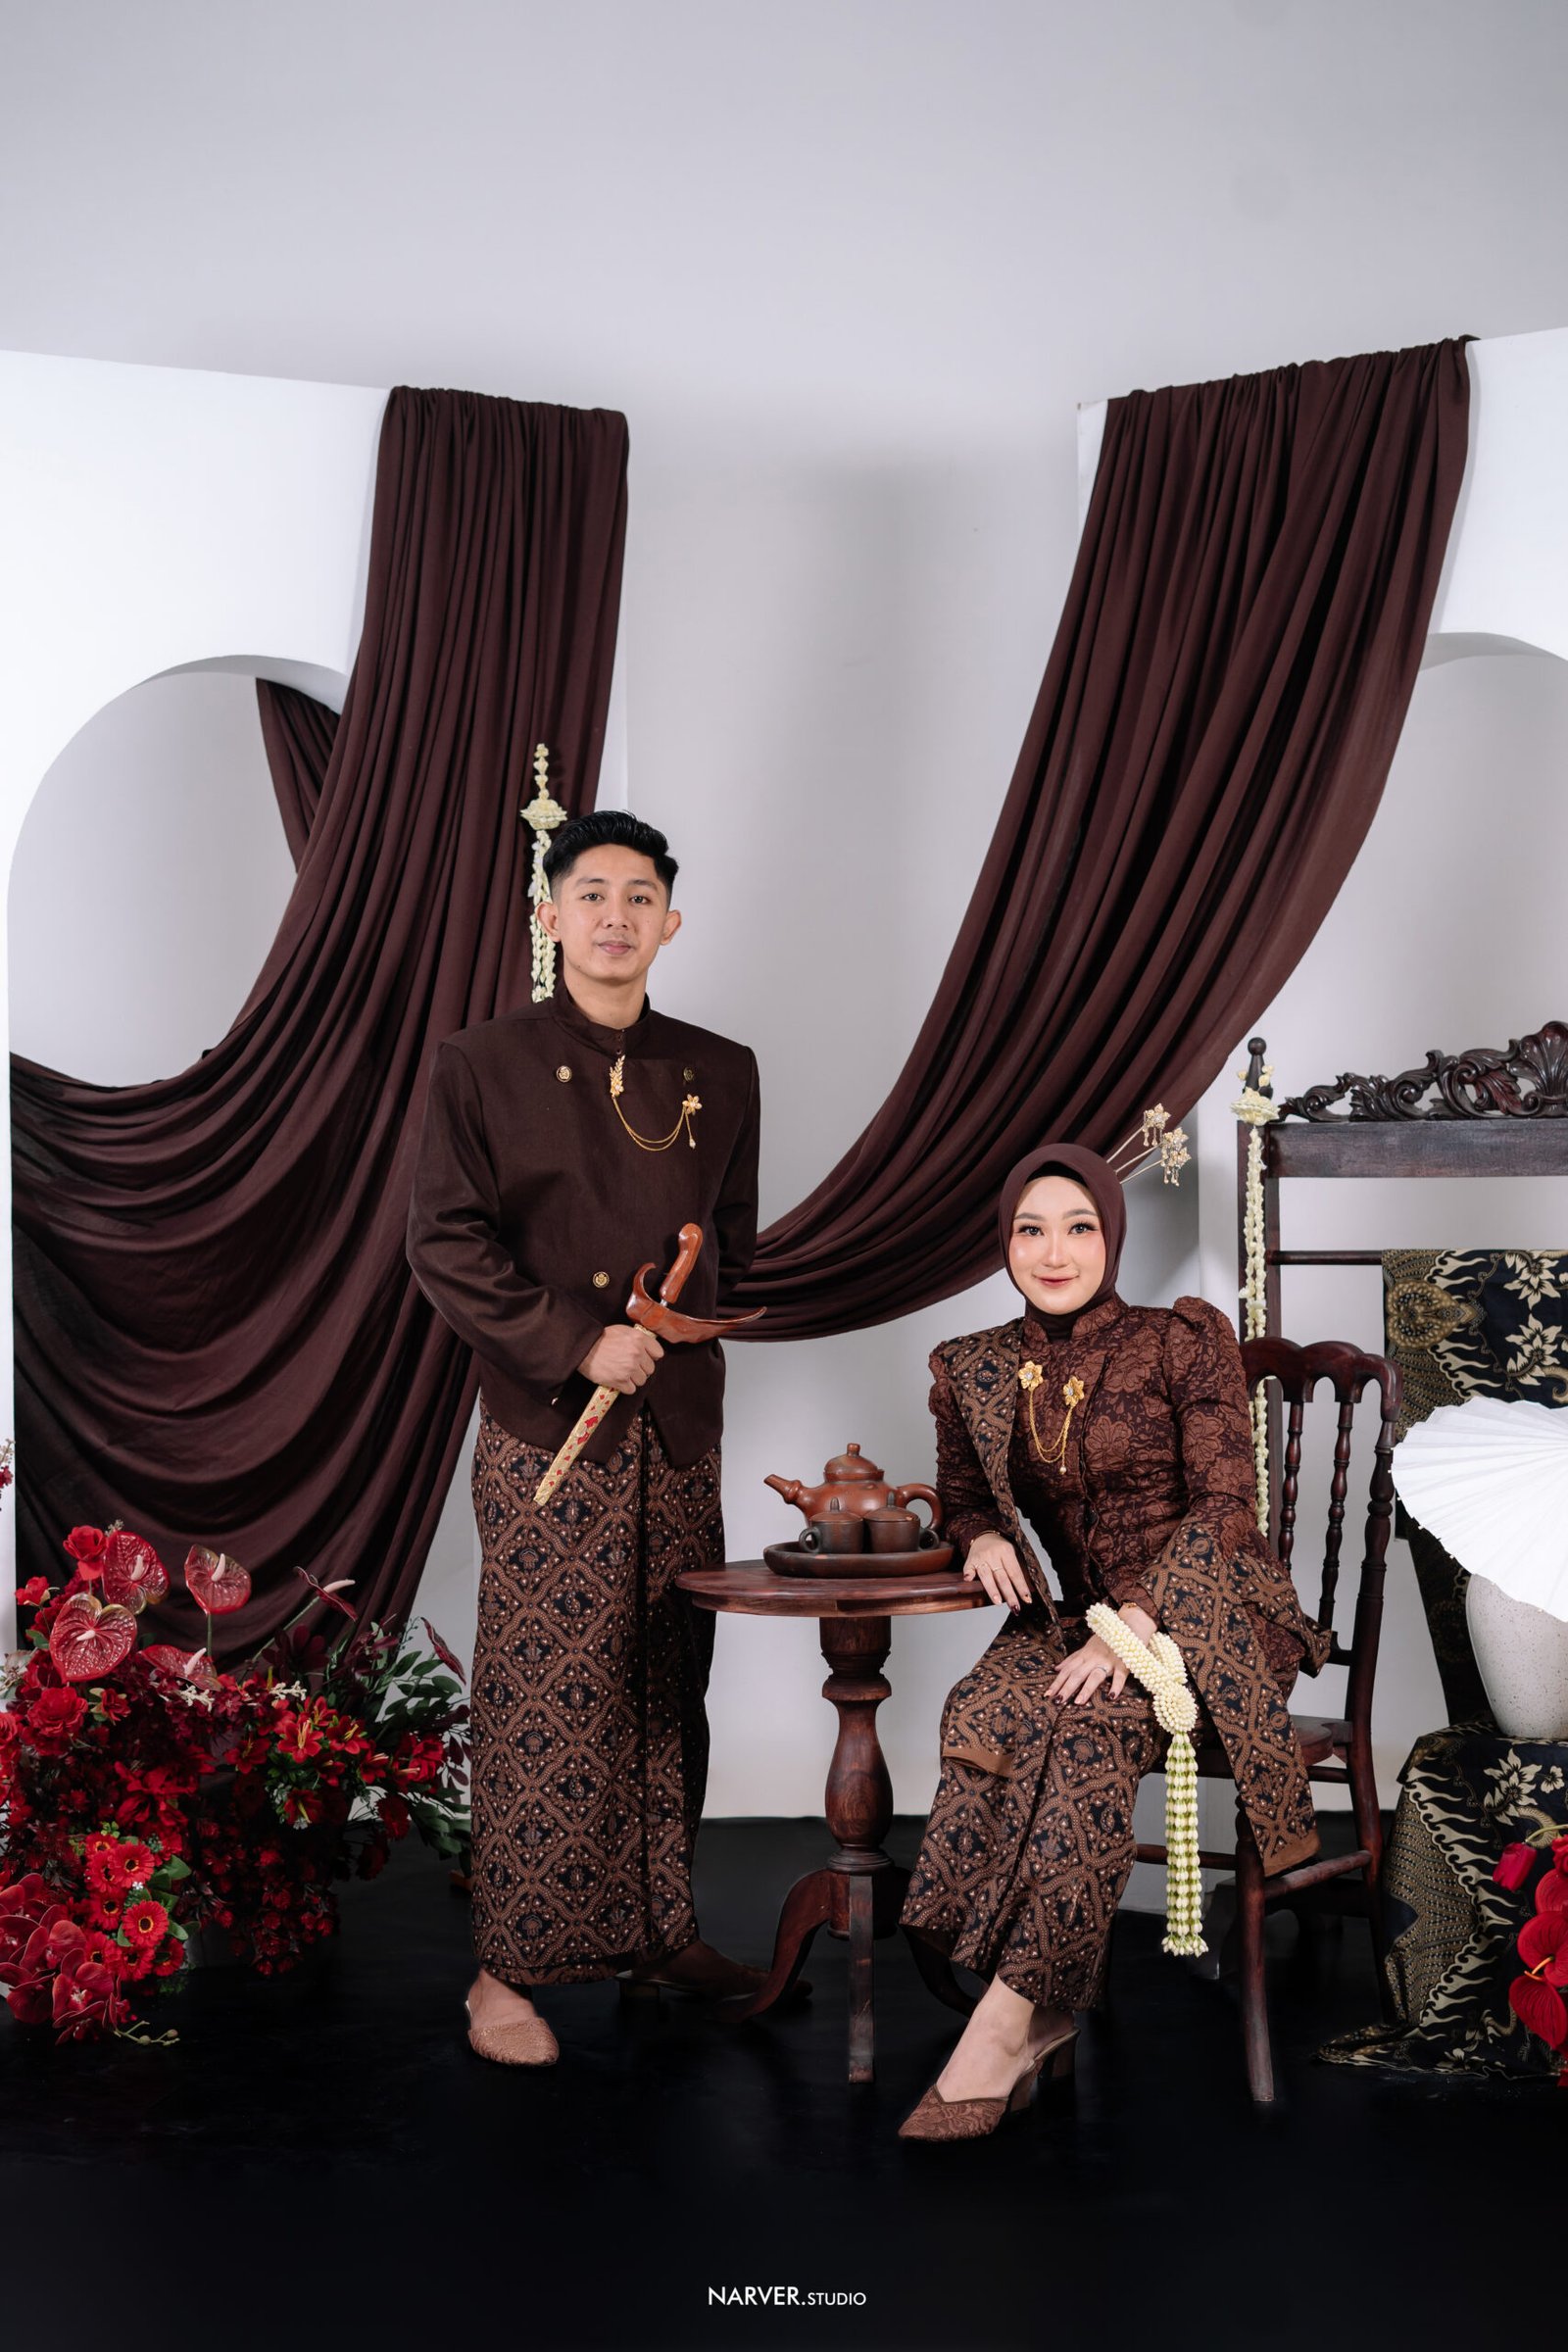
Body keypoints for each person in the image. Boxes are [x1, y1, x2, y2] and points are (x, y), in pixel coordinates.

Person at [407, 808, 764, 2066]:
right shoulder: (479, 1064)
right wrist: (575, 1342)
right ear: (550, 916)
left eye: (640, 896)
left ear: (671, 921)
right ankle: (505, 1970)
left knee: (669, 1687)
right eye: (593, 894)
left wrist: (680, 1330)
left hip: (676, 1427)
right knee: (545, 1698)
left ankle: (661, 1930)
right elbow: (443, 1241)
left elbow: (732, 1243)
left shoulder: (722, 1068)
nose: (617, 916)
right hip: (546, 1426)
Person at [897, 1141, 1329, 2140]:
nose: (1054, 1253)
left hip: (1214, 1611)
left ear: (1112, 1236)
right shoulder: (974, 1366)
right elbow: (961, 1499)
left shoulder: (1180, 1340)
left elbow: (1225, 1506)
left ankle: (1012, 2020)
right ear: (1004, 1242)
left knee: (1087, 1726)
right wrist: (981, 1534)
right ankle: (1002, 1975)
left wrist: (1139, 1624)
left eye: (1079, 1228)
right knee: (983, 1707)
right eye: (1030, 1230)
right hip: (1082, 1619)